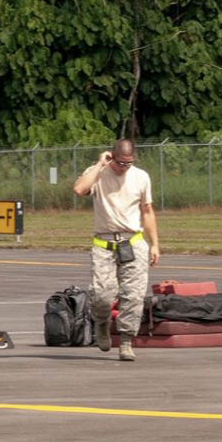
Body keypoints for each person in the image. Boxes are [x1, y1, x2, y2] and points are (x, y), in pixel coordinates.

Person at [72, 138, 161, 361]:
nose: (124, 167)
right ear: (112, 156)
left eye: (128, 163)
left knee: (133, 295)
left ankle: (126, 341)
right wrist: (99, 164)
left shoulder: (141, 177)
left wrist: (155, 244)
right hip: (104, 244)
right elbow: (79, 189)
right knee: (102, 294)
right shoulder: (98, 173)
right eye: (121, 162)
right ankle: (102, 323)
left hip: (133, 242)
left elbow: (147, 212)